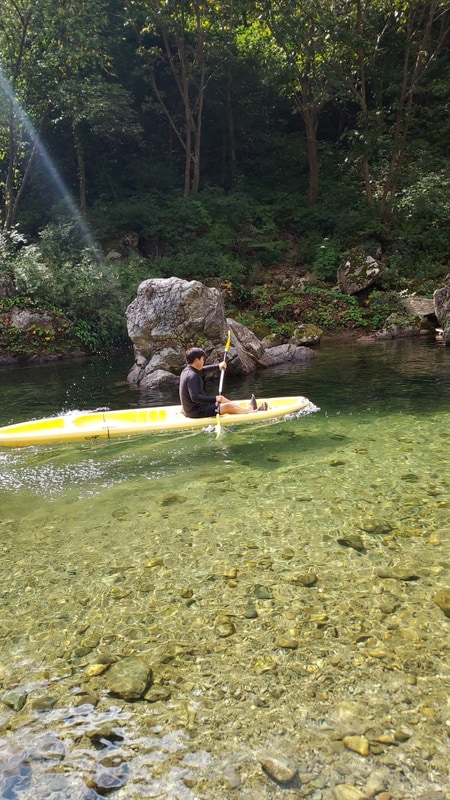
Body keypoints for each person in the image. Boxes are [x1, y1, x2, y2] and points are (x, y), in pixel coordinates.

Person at [179, 346, 268, 419]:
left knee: (222, 399)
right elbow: (195, 397)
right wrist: (215, 399)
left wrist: (218, 366)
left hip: (196, 407)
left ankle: (247, 410)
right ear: (196, 360)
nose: (203, 361)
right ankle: (253, 413)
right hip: (196, 412)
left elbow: (203, 370)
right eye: (202, 359)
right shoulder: (192, 376)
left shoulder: (187, 371)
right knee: (227, 406)